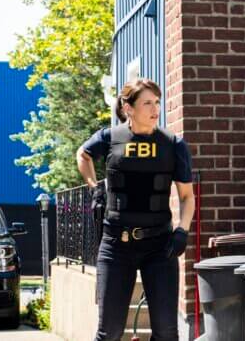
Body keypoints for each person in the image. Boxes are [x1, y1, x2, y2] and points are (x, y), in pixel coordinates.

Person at [76, 78, 195, 341]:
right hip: (116, 245)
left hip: (159, 246)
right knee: (109, 332)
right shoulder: (110, 138)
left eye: (157, 103)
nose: (156, 110)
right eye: (147, 103)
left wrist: (182, 231)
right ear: (128, 108)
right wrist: (94, 187)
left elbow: (187, 196)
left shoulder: (173, 144)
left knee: (167, 332)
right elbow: (82, 155)